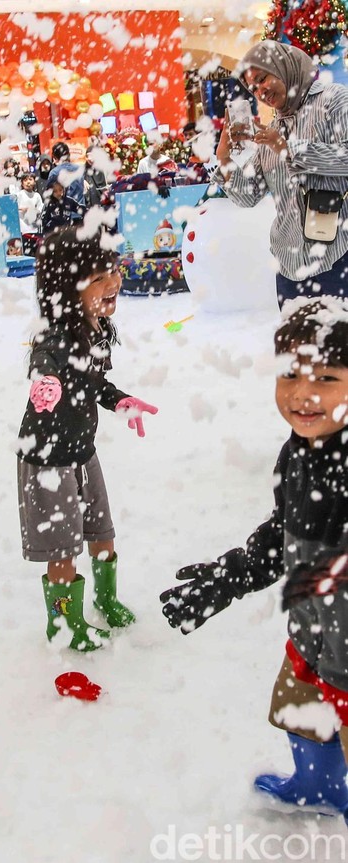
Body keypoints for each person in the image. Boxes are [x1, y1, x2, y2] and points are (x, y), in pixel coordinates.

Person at [160, 296, 348, 819]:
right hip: (313, 634)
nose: (303, 393)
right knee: (299, 711)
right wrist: (228, 578)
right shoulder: (298, 453)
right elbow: (283, 534)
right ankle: (318, 787)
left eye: (326, 379)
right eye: (290, 375)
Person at [17, 226, 158, 651]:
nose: (113, 281)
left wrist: (120, 401)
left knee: (102, 531)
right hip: (47, 460)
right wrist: (45, 382)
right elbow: (42, 360)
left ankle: (105, 598)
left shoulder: (93, 329)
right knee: (63, 548)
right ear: (66, 289)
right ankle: (64, 624)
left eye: (113, 270)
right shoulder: (55, 335)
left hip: (82, 452)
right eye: (98, 277)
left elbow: (95, 384)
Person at [214, 39, 348, 307]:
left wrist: (288, 149)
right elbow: (248, 196)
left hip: (338, 255)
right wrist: (225, 158)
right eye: (253, 88)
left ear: (282, 67)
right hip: (288, 267)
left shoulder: (333, 99)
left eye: (262, 79)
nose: (260, 91)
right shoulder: (271, 132)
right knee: (293, 337)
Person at [46, 142, 86, 207]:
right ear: (69, 155)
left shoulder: (54, 172)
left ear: (54, 157)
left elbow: (49, 195)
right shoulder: (79, 169)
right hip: (80, 209)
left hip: (64, 210)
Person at [16, 172, 43, 254]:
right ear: (22, 183)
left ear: (34, 182)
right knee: (26, 251)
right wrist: (22, 209)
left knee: (36, 251)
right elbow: (14, 207)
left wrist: (34, 210)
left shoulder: (37, 195)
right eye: (25, 180)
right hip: (23, 228)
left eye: (30, 179)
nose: (28, 182)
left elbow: (41, 208)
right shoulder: (19, 194)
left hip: (35, 228)